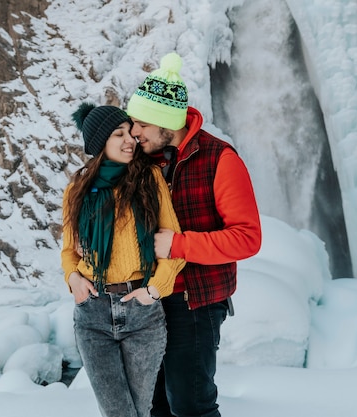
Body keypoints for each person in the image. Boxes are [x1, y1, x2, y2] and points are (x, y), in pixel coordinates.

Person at [126, 52, 262, 417]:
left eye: (141, 123)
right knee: (153, 406)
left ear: (166, 123)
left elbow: (247, 237)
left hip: (194, 303)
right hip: (147, 298)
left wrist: (179, 245)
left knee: (190, 405)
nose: (133, 132)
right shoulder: (144, 159)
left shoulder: (220, 160)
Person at [61, 102, 186, 417]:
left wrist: (154, 289)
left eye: (130, 132)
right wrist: (72, 278)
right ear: (100, 143)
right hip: (93, 315)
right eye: (119, 134)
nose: (130, 140)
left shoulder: (149, 180)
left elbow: (173, 242)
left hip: (142, 314)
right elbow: (69, 251)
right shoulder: (76, 189)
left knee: (139, 411)